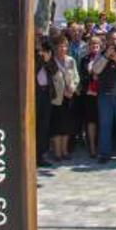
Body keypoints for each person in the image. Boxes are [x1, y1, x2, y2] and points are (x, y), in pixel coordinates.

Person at [49, 38, 80, 161]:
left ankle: (64, 151)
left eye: (65, 46)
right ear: (55, 48)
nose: (63, 49)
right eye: (60, 46)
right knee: (56, 125)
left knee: (67, 125)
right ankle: (57, 152)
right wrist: (62, 91)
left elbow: (76, 77)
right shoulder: (51, 61)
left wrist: (72, 89)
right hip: (56, 98)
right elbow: (50, 81)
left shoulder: (71, 60)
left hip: (69, 97)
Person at [77, 36, 102, 158]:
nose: (94, 48)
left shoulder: (104, 58)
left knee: (102, 121)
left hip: (102, 94)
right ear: (88, 46)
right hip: (89, 95)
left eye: (97, 46)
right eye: (92, 45)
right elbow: (82, 77)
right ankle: (92, 146)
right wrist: (92, 76)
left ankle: (101, 146)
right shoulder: (84, 60)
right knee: (91, 121)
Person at [35, 39, 57, 167]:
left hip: (46, 94)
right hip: (35, 94)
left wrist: (48, 59)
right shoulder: (33, 56)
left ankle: (40, 155)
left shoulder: (48, 56)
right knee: (35, 125)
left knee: (44, 126)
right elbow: (33, 70)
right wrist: (40, 58)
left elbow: (54, 71)